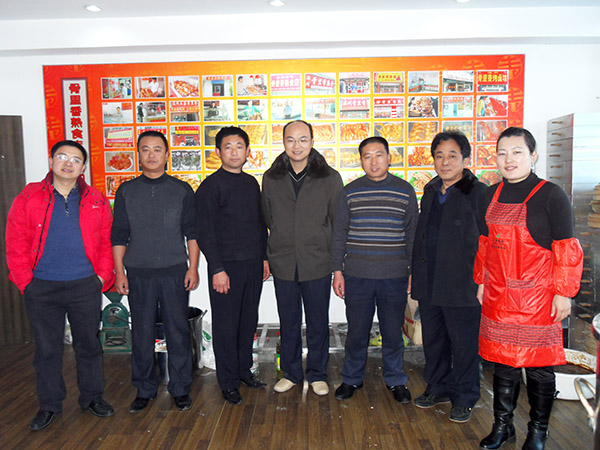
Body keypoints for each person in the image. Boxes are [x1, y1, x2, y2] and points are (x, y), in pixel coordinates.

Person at [475, 127, 583, 450]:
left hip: (538, 298)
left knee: (539, 368)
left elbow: (566, 248)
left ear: (533, 155)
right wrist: (481, 280)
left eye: (517, 152)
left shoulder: (551, 195)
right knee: (503, 363)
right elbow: (484, 245)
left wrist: (564, 292)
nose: (508, 159)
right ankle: (503, 426)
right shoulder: (488, 195)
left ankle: (538, 431)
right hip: (498, 295)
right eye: (502, 153)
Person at [6, 140, 115, 431]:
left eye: (76, 159)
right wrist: (26, 283)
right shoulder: (29, 196)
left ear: (83, 167)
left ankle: (92, 397)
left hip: (84, 285)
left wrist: (101, 277)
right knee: (47, 349)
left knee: (88, 345)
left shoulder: (95, 199)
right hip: (42, 287)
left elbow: (106, 241)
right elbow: (15, 243)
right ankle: (50, 405)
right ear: (52, 160)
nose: (68, 163)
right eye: (62, 157)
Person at [111, 130, 200, 414]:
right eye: (146, 149)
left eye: (157, 149)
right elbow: (119, 235)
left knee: (177, 331)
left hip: (174, 271)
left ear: (166, 155)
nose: (151, 155)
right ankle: (144, 388)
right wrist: (120, 273)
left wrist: (193, 267)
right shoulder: (126, 191)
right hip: (138, 273)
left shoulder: (181, 189)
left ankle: (180, 388)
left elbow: (192, 233)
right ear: (138, 154)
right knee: (142, 332)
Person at [332, 136, 418, 403]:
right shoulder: (350, 191)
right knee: (357, 332)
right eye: (367, 156)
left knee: (392, 333)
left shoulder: (405, 190)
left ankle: (396, 380)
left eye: (379, 155)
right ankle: (351, 378)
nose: (373, 161)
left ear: (389, 158)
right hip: (357, 276)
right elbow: (339, 233)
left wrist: (414, 272)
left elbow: (413, 235)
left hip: (394, 276)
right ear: (361, 161)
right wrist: (337, 271)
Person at [262, 120, 343, 396]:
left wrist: (336, 264)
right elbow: (267, 218)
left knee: (318, 322)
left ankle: (317, 374)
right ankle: (291, 373)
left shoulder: (329, 177)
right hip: (283, 261)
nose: (296, 145)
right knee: (289, 321)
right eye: (290, 139)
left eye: (303, 139)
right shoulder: (271, 178)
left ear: (312, 141)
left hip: (317, 261)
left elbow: (336, 221)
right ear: (283, 142)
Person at [411, 131, 486, 423]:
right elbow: (421, 237)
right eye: (439, 156)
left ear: (465, 159)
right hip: (430, 281)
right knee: (434, 340)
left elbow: (488, 242)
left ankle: (465, 396)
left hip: (463, 283)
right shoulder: (431, 190)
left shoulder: (478, 193)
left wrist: (483, 280)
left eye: (452, 156)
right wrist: (415, 276)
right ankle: (438, 387)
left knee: (464, 344)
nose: (445, 162)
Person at [195, 127, 270, 405]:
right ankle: (227, 382)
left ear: (248, 152)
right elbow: (204, 231)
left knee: (247, 321)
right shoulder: (210, 186)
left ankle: (244, 371)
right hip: (225, 269)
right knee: (226, 326)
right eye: (228, 147)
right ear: (218, 152)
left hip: (252, 264)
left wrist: (264, 258)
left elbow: (259, 225)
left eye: (239, 146)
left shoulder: (251, 183)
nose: (234, 152)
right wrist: (217, 268)